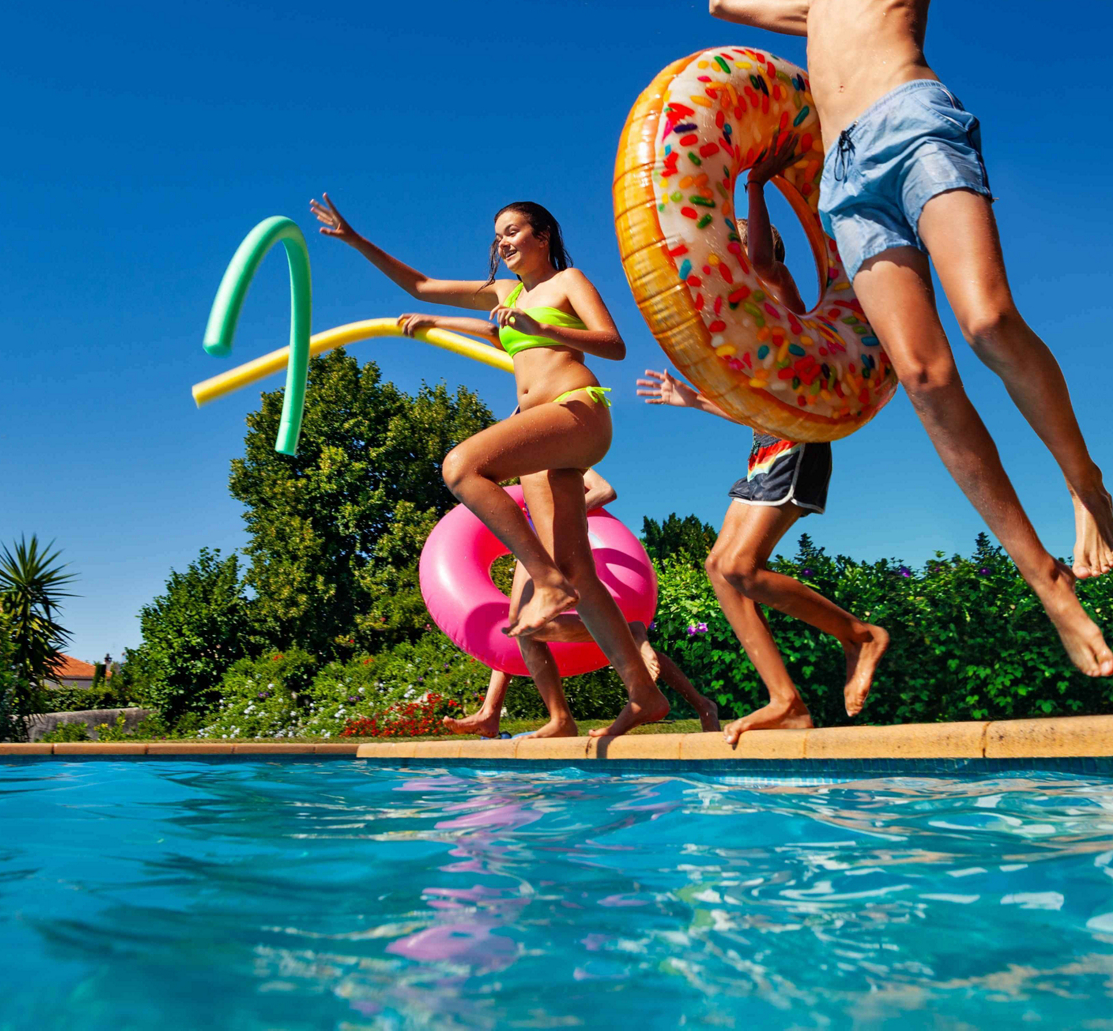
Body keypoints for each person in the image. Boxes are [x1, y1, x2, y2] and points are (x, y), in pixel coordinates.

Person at [705, 0, 1113, 679]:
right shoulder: (813, 2)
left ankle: (1083, 481)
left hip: (914, 123)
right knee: (927, 380)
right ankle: (1042, 577)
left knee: (985, 321)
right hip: (848, 184)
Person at [311, 194, 670, 740]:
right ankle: (643, 696)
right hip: (542, 433)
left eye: (512, 231)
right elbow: (422, 286)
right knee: (582, 574)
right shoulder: (505, 295)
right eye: (497, 235)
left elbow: (613, 345)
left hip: (576, 411)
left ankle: (546, 583)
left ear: (542, 235)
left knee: (460, 467)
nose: (501, 242)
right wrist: (357, 240)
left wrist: (537, 324)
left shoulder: (568, 282)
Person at [637, 160, 890, 744]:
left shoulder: (776, 292)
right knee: (719, 569)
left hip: (799, 445)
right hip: (763, 450)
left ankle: (860, 635)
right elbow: (753, 412)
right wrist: (692, 400)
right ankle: (787, 701)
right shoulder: (749, 332)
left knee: (742, 568)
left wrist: (753, 185)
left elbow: (766, 258)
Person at [445, 470, 721, 738]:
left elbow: (605, 490)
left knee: (530, 626)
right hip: (531, 539)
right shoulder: (526, 461)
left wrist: (560, 515)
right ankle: (495, 713)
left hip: (553, 534)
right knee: (520, 625)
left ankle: (558, 714)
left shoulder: (555, 448)